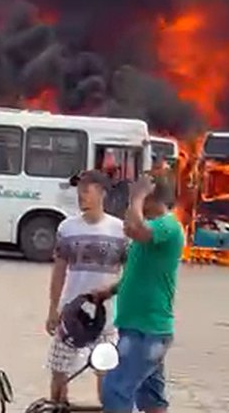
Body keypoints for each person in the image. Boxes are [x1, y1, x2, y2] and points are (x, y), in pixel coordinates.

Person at [94, 174, 185, 413]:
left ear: (152, 198)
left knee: (116, 389)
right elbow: (137, 267)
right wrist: (110, 291)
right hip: (140, 326)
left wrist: (137, 195)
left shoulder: (167, 226)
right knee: (151, 398)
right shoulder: (152, 230)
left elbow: (135, 230)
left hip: (146, 330)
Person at [46, 170, 129, 404]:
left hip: (107, 317)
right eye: (79, 191)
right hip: (71, 314)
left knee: (106, 373)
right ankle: (58, 406)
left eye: (86, 191)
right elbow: (59, 272)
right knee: (59, 370)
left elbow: (130, 275)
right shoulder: (67, 228)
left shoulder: (121, 231)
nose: (81, 196)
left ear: (102, 193)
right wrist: (53, 309)